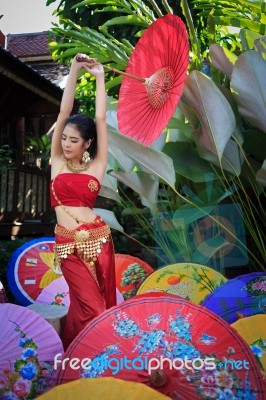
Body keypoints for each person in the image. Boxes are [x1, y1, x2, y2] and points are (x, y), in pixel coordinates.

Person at [50, 54, 116, 350]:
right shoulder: (56, 163)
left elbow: (100, 119)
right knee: (94, 309)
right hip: (66, 244)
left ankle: (83, 360)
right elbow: (64, 111)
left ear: (87, 144)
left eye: (73, 140)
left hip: (98, 241)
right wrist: (74, 70)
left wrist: (100, 77)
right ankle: (91, 354)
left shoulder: (96, 166)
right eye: (64, 138)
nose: (66, 143)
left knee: (89, 305)